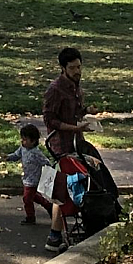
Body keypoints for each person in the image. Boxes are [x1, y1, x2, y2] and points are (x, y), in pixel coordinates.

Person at [42, 46, 90, 252]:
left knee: (78, 184)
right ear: (63, 68)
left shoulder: (75, 86)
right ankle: (54, 236)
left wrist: (87, 112)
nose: (77, 71)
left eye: (79, 67)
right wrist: (73, 128)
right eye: (72, 68)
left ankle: (63, 232)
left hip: (76, 141)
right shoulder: (55, 89)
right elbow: (50, 120)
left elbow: (75, 111)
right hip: (61, 144)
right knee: (62, 189)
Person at [8, 125, 54, 226]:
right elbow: (16, 155)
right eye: (22, 139)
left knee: (27, 198)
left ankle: (30, 217)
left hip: (34, 180)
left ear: (33, 141)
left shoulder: (36, 153)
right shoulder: (23, 149)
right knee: (33, 196)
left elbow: (45, 162)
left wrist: (49, 171)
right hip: (27, 178)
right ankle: (48, 205)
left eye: (25, 140)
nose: (22, 141)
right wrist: (9, 157)